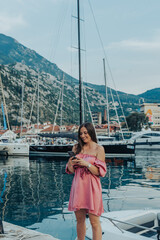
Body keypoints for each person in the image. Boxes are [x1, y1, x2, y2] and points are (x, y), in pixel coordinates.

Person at [66, 122, 107, 240]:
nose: (83, 136)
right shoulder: (76, 148)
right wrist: (70, 163)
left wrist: (86, 164)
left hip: (92, 187)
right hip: (78, 186)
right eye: (81, 133)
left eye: (85, 132)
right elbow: (71, 171)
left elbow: (100, 172)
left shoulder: (99, 149)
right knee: (80, 220)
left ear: (91, 132)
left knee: (94, 222)